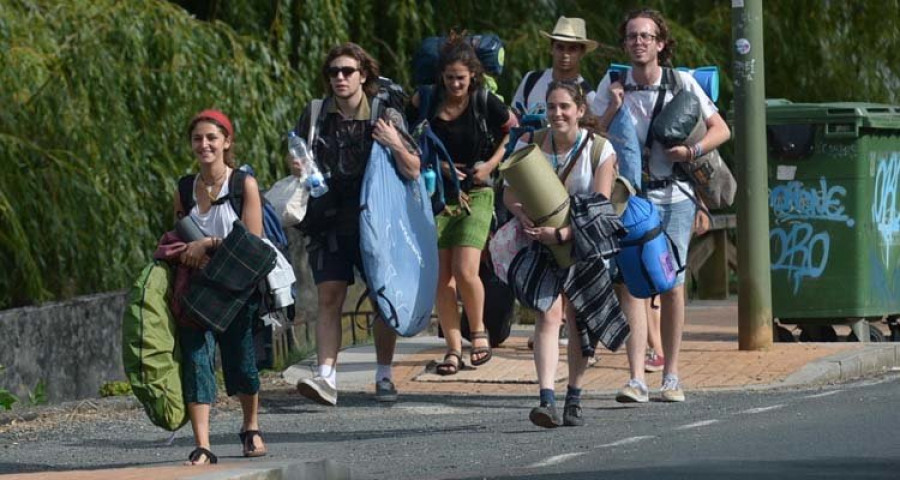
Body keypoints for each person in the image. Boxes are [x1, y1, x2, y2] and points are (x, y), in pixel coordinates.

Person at [593, 8, 730, 403]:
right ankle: (636, 378)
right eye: (632, 36)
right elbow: (593, 136)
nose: (639, 42)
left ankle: (671, 376)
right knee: (633, 284)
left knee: (671, 284)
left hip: (675, 195)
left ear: (660, 44)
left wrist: (691, 150)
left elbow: (721, 129)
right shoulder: (613, 83)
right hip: (631, 197)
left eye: (646, 36)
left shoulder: (680, 82)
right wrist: (612, 109)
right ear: (624, 43)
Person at [293, 43, 421, 405]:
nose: (339, 78)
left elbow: (413, 168)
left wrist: (395, 142)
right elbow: (299, 158)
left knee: (383, 300)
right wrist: (300, 168)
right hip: (329, 220)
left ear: (363, 75)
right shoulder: (316, 114)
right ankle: (325, 378)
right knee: (329, 296)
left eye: (347, 71)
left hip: (376, 222)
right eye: (333, 72)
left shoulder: (385, 112)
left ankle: (383, 374)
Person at [506, 81, 618, 427]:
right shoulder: (531, 143)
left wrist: (565, 233)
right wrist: (520, 213)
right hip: (542, 241)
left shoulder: (601, 149)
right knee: (548, 313)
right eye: (552, 107)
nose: (557, 114)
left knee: (579, 319)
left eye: (565, 107)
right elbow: (509, 192)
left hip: (583, 241)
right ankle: (546, 398)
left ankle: (574, 396)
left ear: (580, 110)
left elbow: (601, 205)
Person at [411, 33, 516, 375]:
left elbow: (512, 132)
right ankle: (453, 349)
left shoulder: (484, 101)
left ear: (473, 75)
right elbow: (408, 135)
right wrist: (438, 165)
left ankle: (479, 333)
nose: (456, 84)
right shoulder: (428, 100)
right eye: (450, 77)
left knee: (466, 269)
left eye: (461, 77)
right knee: (443, 278)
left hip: (479, 192)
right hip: (439, 194)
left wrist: (490, 165)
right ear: (441, 75)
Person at [174, 109, 267, 465]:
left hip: (236, 289)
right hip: (195, 290)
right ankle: (202, 444)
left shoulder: (243, 184)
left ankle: (250, 427)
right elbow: (177, 232)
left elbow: (253, 241)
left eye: (212, 137)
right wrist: (185, 251)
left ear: (226, 142)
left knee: (241, 360)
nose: (204, 145)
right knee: (197, 360)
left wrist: (208, 244)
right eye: (198, 139)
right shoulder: (185, 187)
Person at [511, 16, 599, 116]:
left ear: (582, 53)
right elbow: (514, 119)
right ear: (551, 48)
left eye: (572, 49)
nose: (565, 54)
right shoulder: (531, 80)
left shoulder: (588, 96)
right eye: (560, 47)